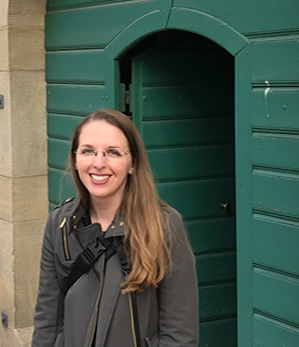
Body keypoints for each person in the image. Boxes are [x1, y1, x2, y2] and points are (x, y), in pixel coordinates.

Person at [31, 108, 199, 347]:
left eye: (113, 153)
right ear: (76, 159)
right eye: (88, 151)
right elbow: (47, 319)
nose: (99, 163)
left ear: (132, 163)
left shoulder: (164, 225)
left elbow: (180, 333)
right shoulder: (59, 224)